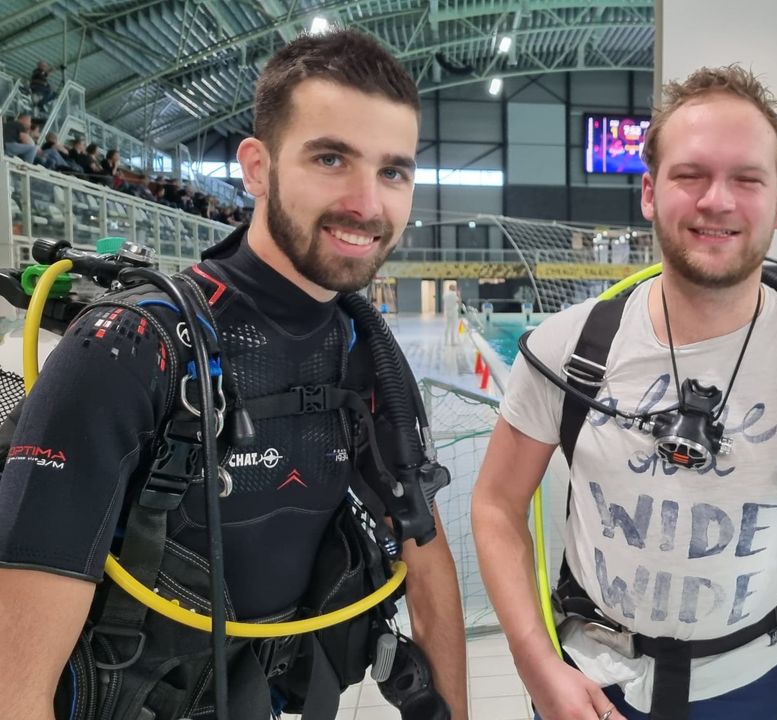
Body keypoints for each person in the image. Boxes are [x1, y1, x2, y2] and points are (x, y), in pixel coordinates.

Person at [0, 29, 468, 720]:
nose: (368, 204)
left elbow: (425, 558)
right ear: (257, 168)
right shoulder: (131, 349)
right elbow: (16, 688)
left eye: (393, 172)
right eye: (331, 158)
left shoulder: (363, 350)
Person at [471, 65, 777, 720]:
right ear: (649, 192)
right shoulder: (568, 350)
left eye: (747, 179)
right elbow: (494, 504)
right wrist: (535, 662)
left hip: (751, 688)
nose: (717, 200)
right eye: (690, 175)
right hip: (591, 683)